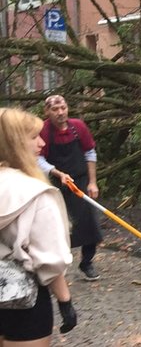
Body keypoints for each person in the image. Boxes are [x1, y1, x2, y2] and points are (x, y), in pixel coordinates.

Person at [0, 107, 77, 344]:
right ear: (13, 143)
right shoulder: (37, 195)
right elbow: (49, 259)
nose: (42, 143)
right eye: (33, 137)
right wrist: (65, 302)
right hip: (22, 300)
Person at [37, 95, 103, 281]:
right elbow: (38, 159)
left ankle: (87, 263)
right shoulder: (43, 131)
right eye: (55, 109)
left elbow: (90, 152)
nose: (60, 113)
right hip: (55, 183)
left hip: (80, 181)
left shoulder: (78, 127)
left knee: (89, 223)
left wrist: (92, 182)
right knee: (57, 226)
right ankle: (57, 267)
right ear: (47, 112)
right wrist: (58, 174)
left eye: (63, 108)